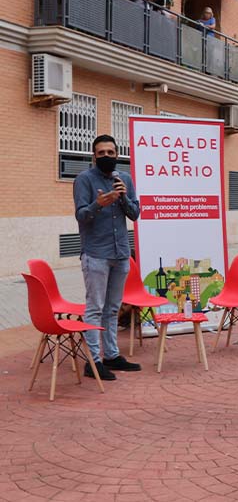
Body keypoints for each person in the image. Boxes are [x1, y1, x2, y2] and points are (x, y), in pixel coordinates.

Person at [73, 135, 142, 381]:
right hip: (96, 254)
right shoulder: (84, 179)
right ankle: (93, 361)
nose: (106, 157)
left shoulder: (124, 179)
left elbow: (135, 214)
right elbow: (81, 216)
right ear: (94, 156)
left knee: (112, 309)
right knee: (95, 308)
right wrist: (98, 204)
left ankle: (111, 355)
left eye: (110, 153)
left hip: (121, 253)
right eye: (101, 153)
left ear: (117, 154)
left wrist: (122, 197)